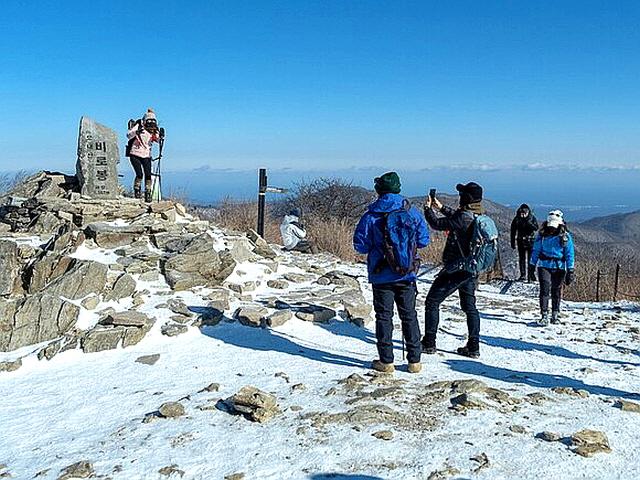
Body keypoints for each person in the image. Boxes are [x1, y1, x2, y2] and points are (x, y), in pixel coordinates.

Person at [353, 172, 429, 374]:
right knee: (409, 315)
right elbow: (423, 240)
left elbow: (360, 245)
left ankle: (386, 362)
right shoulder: (411, 213)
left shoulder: (371, 216)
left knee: (384, 317)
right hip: (407, 273)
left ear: (379, 190)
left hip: (381, 275)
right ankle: (415, 361)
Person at [422, 182, 485, 358]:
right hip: (471, 269)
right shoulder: (478, 214)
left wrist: (428, 209)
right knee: (470, 307)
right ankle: (473, 347)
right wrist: (440, 206)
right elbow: (456, 218)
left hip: (455, 269)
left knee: (432, 302)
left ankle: (429, 343)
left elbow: (436, 223)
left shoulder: (464, 217)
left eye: (462, 194)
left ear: (467, 198)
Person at [530, 210, 575, 325]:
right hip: (544, 265)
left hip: (559, 266)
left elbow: (569, 253)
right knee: (544, 290)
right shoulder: (542, 235)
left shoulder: (565, 236)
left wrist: (570, 270)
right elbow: (536, 250)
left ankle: (555, 314)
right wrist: (531, 265)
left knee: (556, 290)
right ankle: (544, 314)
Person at [127, 108, 160, 202]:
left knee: (148, 175)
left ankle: (147, 193)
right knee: (140, 174)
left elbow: (157, 140)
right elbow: (128, 135)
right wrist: (136, 132)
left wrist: (160, 136)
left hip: (146, 155)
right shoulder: (138, 126)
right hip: (135, 154)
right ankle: (137, 191)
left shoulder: (153, 130)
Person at [510, 204, 539, 282]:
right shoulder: (517, 219)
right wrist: (512, 242)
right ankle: (523, 275)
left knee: (530, 259)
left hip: (530, 241)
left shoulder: (531, 218)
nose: (523, 214)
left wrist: (529, 223)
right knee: (522, 259)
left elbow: (536, 228)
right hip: (521, 241)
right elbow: (513, 231)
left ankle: (530, 275)